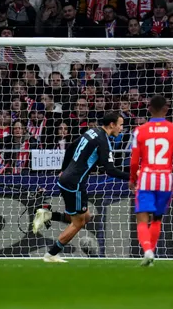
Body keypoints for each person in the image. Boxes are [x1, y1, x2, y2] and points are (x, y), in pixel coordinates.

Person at [33, 111, 129, 263]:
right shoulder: (103, 141)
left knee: (87, 216)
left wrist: (63, 169)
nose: (121, 128)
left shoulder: (92, 132)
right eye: (121, 125)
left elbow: (71, 147)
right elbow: (110, 170)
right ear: (112, 124)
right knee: (79, 222)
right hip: (75, 184)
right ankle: (52, 254)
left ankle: (48, 215)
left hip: (67, 180)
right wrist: (133, 177)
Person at [129, 95, 173, 266]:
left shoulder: (140, 130)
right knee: (157, 219)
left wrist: (132, 178)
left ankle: (147, 250)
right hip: (165, 179)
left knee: (142, 218)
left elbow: (134, 160)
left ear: (149, 109)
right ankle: (151, 254)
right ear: (166, 109)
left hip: (146, 178)